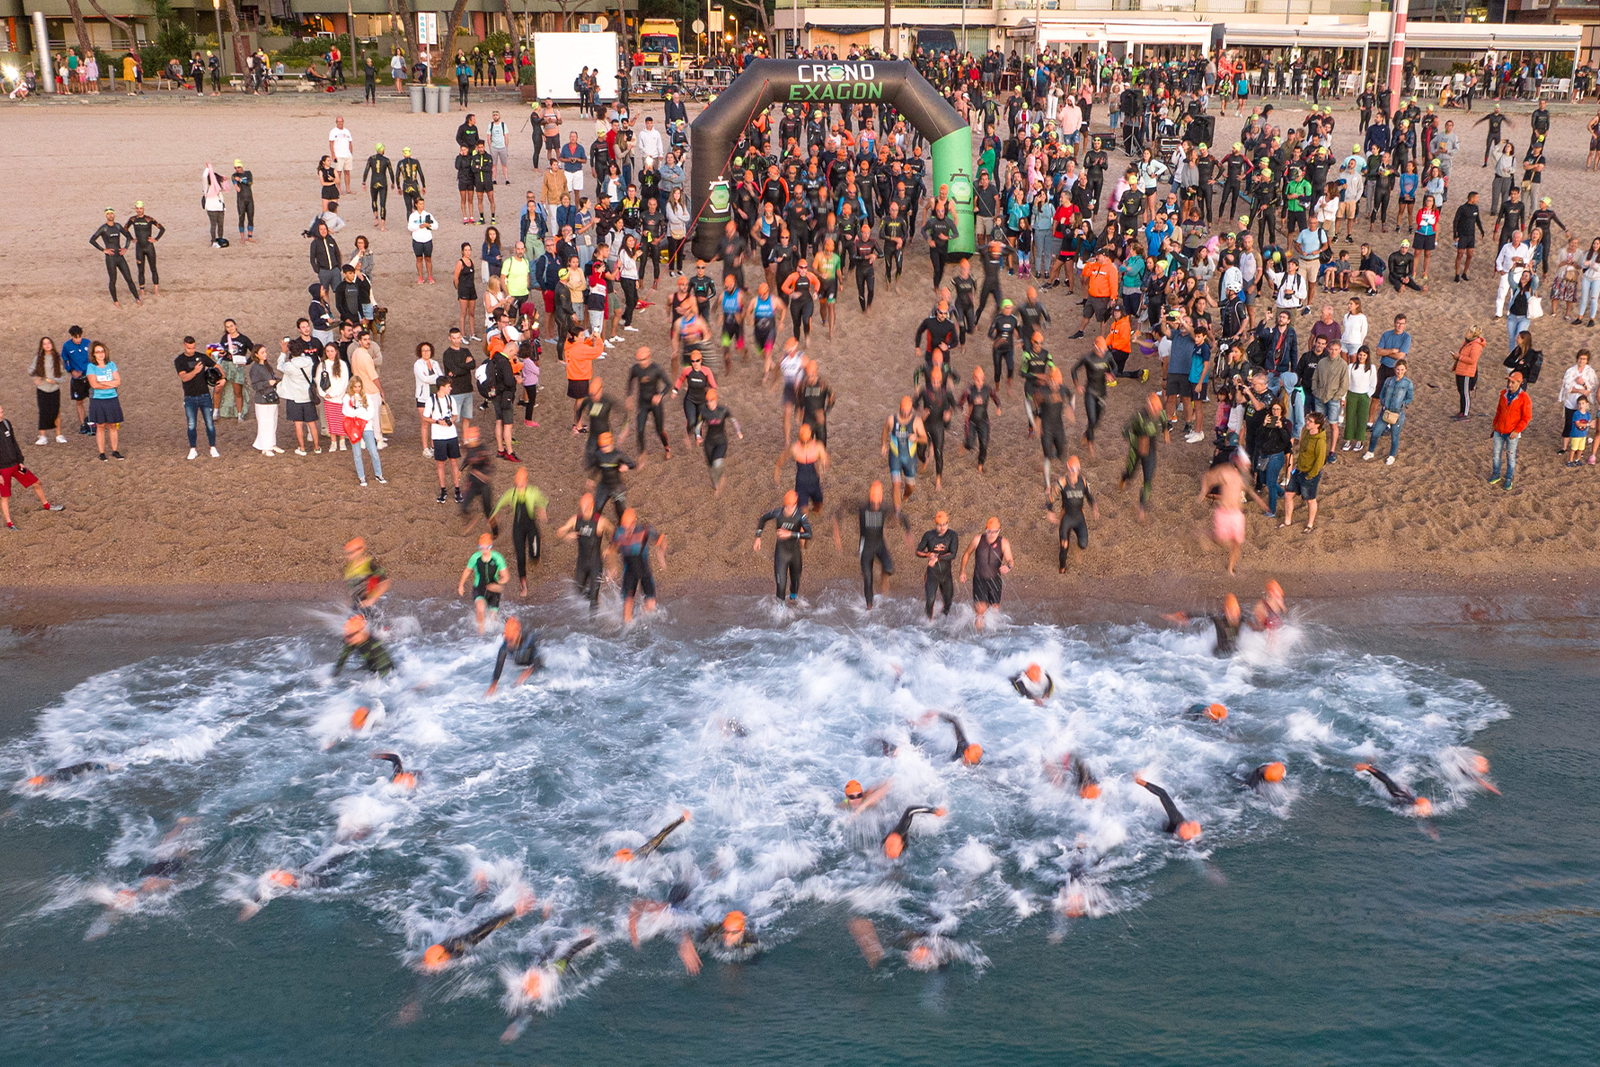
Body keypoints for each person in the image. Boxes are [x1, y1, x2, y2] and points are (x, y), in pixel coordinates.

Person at [0, 403, 66, 531]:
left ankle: (47, 505)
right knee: (5, 496)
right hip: (2, 469)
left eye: (2, 411)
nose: (2, 414)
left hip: (15, 464)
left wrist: (20, 461)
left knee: (36, 482)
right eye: (0, 412)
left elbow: (14, 443)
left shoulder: (6, 423)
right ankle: (9, 523)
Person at [1198, 454, 1266, 573]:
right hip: (1224, 512)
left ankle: (1230, 569)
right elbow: (1207, 476)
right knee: (1220, 540)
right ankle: (1207, 534)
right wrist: (1203, 491)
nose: (1246, 467)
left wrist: (1261, 503)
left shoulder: (1242, 477)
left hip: (1237, 513)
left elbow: (1250, 490)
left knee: (1236, 544)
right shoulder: (1225, 472)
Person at [491, 467, 549, 595]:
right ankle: (523, 584)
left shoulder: (533, 492)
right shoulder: (511, 493)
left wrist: (542, 509)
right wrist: (494, 514)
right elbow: (500, 503)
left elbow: (543, 500)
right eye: (518, 481)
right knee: (520, 556)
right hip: (517, 528)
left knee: (534, 556)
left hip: (531, 527)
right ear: (515, 482)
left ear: (526, 481)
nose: (521, 484)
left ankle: (534, 557)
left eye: (523, 481)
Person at [754, 490, 813, 603]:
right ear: (784, 505)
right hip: (781, 553)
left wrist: (790, 534)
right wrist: (758, 536)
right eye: (788, 506)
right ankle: (780, 611)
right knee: (781, 585)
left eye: (793, 506)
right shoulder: (778, 513)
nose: (790, 509)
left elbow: (809, 534)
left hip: (795, 554)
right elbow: (763, 518)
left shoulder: (800, 516)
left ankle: (793, 599)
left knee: (795, 583)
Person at [556, 492, 612, 610]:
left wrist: (610, 548)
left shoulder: (600, 521)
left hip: (595, 563)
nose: (583, 511)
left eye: (586, 509)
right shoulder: (576, 519)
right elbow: (559, 532)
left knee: (593, 601)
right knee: (579, 593)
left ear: (592, 507)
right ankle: (596, 598)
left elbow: (614, 532)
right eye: (582, 508)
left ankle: (594, 621)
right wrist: (567, 535)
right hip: (582, 563)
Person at [958, 517, 1014, 630]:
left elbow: (1010, 560)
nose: (992, 535)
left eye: (995, 532)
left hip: (995, 580)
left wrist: (1008, 567)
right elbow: (967, 554)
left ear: (999, 531)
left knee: (994, 610)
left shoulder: (1003, 542)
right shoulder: (978, 539)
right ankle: (979, 638)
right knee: (980, 612)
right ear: (986, 530)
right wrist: (962, 570)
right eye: (989, 532)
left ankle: (992, 637)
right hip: (979, 580)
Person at [613, 507, 667, 623]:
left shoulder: (645, 530)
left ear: (634, 523)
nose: (626, 530)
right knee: (627, 608)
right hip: (629, 572)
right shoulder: (618, 533)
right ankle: (627, 633)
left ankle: (641, 622)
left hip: (644, 571)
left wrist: (660, 554)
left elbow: (662, 539)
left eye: (628, 527)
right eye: (624, 527)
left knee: (651, 605)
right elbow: (611, 549)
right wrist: (612, 566)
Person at [1045, 455, 1097, 574]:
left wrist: (1094, 506)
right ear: (1068, 469)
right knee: (1064, 546)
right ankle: (1062, 568)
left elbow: (1089, 495)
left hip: (1079, 517)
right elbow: (1051, 497)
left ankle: (1076, 548)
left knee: (1083, 544)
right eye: (1073, 470)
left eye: (1077, 470)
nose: (1075, 473)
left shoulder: (1083, 481)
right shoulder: (1062, 482)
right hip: (1066, 518)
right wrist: (1050, 511)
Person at [1120, 393, 1168, 521]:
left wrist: (1166, 433)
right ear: (1149, 407)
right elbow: (1124, 431)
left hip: (1150, 450)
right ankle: (1124, 478)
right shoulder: (1139, 417)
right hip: (1135, 450)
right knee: (1131, 472)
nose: (1157, 412)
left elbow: (1165, 424)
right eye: (1155, 409)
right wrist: (1137, 440)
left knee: (1148, 479)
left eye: (1158, 409)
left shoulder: (1161, 415)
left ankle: (1142, 507)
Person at [174, 336, 220, 460]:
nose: (192, 350)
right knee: (191, 424)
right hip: (189, 397)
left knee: (209, 423)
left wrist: (222, 379)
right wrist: (195, 371)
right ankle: (193, 449)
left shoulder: (202, 357)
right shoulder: (180, 360)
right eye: (189, 348)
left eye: (193, 347)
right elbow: (184, 377)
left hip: (204, 395)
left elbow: (216, 366)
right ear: (184, 345)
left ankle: (212, 447)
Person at [1281, 411, 1328, 531]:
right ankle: (1287, 521)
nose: (1307, 422)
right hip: (1299, 470)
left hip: (1309, 474)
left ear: (1317, 425)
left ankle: (1310, 524)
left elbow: (1320, 461)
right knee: (1288, 494)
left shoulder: (1320, 442)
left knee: (1310, 499)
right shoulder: (1306, 433)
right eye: (1308, 420)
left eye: (1310, 421)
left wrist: (1311, 475)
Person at [693, 387, 742, 496]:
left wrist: (738, 431)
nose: (709, 403)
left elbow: (734, 420)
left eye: (711, 401)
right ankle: (715, 483)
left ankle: (720, 477)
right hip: (709, 442)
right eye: (707, 401)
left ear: (715, 400)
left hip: (721, 441)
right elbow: (698, 425)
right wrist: (697, 435)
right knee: (711, 466)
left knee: (718, 463)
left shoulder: (723, 410)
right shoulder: (704, 412)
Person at [457, 533, 509, 634]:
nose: (484, 551)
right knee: (480, 608)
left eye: (487, 548)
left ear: (491, 546)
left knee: (492, 619)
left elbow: (505, 577)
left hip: (494, 591)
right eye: (481, 548)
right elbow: (467, 570)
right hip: (479, 588)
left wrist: (497, 584)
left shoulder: (498, 558)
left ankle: (490, 639)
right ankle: (480, 636)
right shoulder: (475, 557)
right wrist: (461, 585)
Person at [1364, 360, 1412, 465]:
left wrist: (1402, 404)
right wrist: (1383, 402)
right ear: (1395, 369)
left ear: (1405, 370)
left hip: (1398, 413)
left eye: (1402, 370)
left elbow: (1409, 398)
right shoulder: (1389, 381)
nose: (1400, 372)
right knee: (1376, 432)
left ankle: (1392, 455)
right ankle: (1370, 451)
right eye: (1398, 369)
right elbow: (1382, 393)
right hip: (1385, 411)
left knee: (1395, 435)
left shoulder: (1408, 383)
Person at [1490, 369, 1531, 490]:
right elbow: (1499, 411)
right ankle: (1496, 474)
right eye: (1509, 382)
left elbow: (1526, 417)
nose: (1510, 385)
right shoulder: (1503, 394)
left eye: (1512, 382)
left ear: (1519, 383)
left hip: (1512, 432)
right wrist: (1494, 425)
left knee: (1510, 456)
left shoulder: (1524, 398)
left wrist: (1517, 430)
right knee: (1496, 454)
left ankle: (1509, 478)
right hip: (1499, 429)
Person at [90, 208, 140, 307]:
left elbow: (128, 236)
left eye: (112, 214)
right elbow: (92, 240)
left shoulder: (117, 226)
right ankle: (116, 301)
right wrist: (103, 249)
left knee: (129, 278)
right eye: (108, 214)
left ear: (114, 215)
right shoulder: (104, 228)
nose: (110, 216)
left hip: (120, 256)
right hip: (110, 258)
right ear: (106, 216)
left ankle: (137, 298)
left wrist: (125, 248)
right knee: (113, 280)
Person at [424, 380, 463, 504]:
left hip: (451, 435)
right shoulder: (432, 400)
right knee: (440, 464)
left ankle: (457, 489)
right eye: (448, 386)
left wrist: (451, 420)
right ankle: (443, 490)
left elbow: (455, 415)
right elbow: (425, 417)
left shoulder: (450, 400)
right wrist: (437, 422)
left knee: (453, 462)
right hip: (438, 436)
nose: (450, 388)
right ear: (441, 387)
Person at [915, 511, 959, 619]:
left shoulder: (952, 535)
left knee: (948, 601)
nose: (942, 527)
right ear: (935, 524)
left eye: (945, 524)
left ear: (948, 523)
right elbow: (918, 551)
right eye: (939, 525)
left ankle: (942, 621)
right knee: (930, 600)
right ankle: (928, 622)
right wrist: (928, 555)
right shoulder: (929, 535)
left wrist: (937, 557)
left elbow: (953, 554)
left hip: (946, 574)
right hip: (932, 574)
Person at [86, 342, 124, 461]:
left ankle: (115, 450)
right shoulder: (91, 367)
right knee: (100, 426)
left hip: (112, 398)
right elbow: (94, 385)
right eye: (97, 352)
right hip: (98, 399)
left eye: (102, 351)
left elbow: (118, 381)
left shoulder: (111, 364)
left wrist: (103, 383)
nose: (100, 354)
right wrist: (110, 384)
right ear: (93, 354)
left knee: (112, 425)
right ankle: (101, 452)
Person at [1133, 776, 1202, 841]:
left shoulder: (1176, 819)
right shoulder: (1193, 833)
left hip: (1167, 830)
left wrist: (1139, 781)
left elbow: (1162, 794)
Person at [1354, 763, 1433, 816]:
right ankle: (1370, 764)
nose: (1428, 812)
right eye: (1426, 809)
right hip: (1390, 789)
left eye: (1428, 809)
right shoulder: (1401, 797)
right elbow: (1387, 781)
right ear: (1415, 805)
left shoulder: (1417, 811)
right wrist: (1368, 767)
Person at [30, 338, 65, 446]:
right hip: (42, 389)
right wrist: (36, 378)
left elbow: (63, 376)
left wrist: (55, 380)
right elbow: (31, 370)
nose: (47, 345)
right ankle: (42, 436)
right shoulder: (39, 358)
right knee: (43, 411)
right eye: (44, 344)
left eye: (49, 343)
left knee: (56, 411)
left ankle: (58, 435)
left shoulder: (57, 358)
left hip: (54, 388)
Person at [882, 805, 946, 859]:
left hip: (902, 835)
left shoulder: (902, 829)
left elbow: (910, 810)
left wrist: (933, 810)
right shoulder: (886, 845)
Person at [1450, 326, 1486, 420]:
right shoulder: (1468, 342)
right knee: (1461, 391)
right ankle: (1462, 412)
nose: (1467, 332)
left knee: (1465, 393)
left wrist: (1459, 357)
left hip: (1467, 371)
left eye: (1470, 331)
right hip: (1461, 369)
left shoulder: (1475, 345)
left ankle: (1465, 413)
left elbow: (1472, 360)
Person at [408, 196, 437, 284]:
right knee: (419, 258)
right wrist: (419, 226)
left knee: (428, 258)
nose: (422, 205)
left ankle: (429, 276)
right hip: (417, 240)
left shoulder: (428, 215)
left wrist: (428, 225)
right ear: (416, 205)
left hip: (427, 239)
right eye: (420, 204)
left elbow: (436, 225)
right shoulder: (413, 216)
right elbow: (410, 226)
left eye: (423, 203)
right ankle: (420, 276)